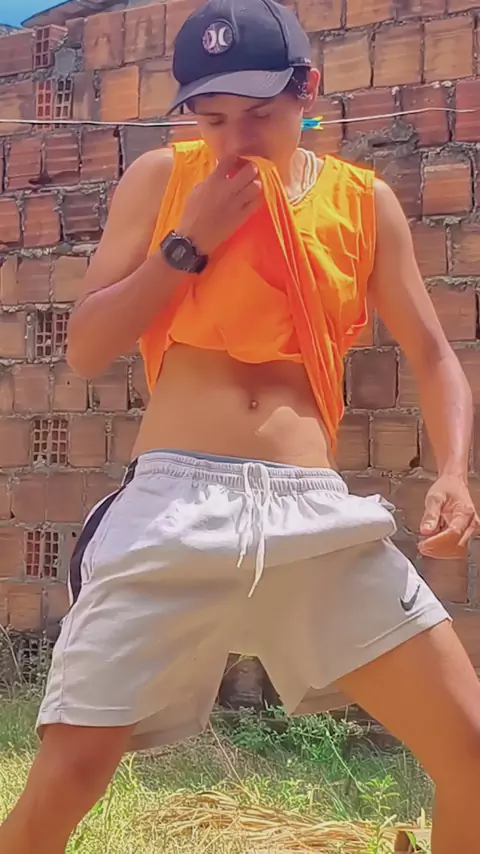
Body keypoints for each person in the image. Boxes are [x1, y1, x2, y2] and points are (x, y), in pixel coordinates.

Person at [1, 1, 479, 852]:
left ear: (307, 90)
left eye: (259, 113)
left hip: (313, 512)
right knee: (66, 780)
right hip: (174, 506)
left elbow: (436, 354)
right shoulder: (163, 179)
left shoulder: (362, 204)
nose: (237, 138)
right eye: (213, 117)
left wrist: (452, 472)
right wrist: (188, 241)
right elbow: (86, 346)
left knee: (471, 752)